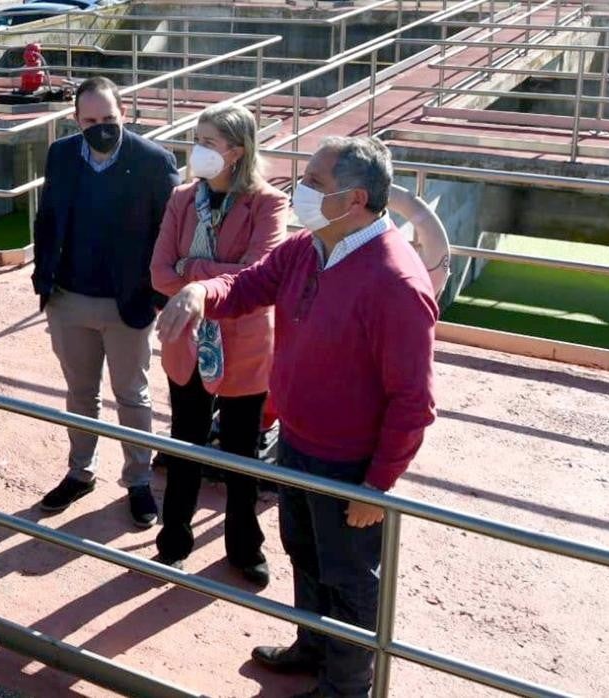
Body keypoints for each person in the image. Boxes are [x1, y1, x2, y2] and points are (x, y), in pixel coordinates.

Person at [156, 136, 437, 698]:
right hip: (298, 445)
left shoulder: (396, 282)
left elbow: (413, 402)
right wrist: (199, 293)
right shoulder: (310, 247)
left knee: (351, 582)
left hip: (350, 465)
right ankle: (313, 647)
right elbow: (250, 284)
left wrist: (376, 487)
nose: (299, 189)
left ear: (354, 199)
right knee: (304, 554)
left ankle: (345, 686)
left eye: (313, 182)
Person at [31, 76, 182, 527]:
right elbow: (48, 219)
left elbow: (169, 233)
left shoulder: (154, 162)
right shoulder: (61, 154)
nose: (100, 128)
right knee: (80, 393)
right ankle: (80, 472)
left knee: (132, 395)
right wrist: (44, 280)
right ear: (76, 120)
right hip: (68, 299)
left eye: (109, 119)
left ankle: (137, 481)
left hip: (127, 305)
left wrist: (156, 297)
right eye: (90, 120)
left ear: (124, 114)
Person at [149, 102, 288, 585]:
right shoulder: (183, 198)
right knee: (183, 445)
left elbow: (258, 275)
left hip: (245, 347)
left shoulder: (269, 204)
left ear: (236, 151)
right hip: (186, 344)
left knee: (239, 455)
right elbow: (159, 273)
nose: (198, 149)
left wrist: (193, 272)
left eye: (208, 142)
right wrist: (203, 275)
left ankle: (243, 546)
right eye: (197, 138)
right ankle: (173, 543)